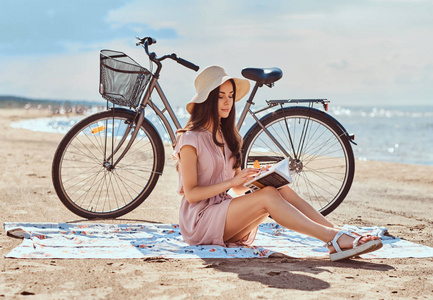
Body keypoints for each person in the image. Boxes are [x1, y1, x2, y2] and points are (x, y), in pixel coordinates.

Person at [173, 66, 382, 261]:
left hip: (224, 215)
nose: (228, 102)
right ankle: (332, 238)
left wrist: (254, 177)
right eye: (220, 97)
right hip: (199, 220)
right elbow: (192, 194)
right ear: (207, 100)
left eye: (230, 96)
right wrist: (232, 182)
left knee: (278, 188)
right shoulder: (190, 139)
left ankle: (337, 232)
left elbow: (237, 187)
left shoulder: (228, 136)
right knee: (268, 195)